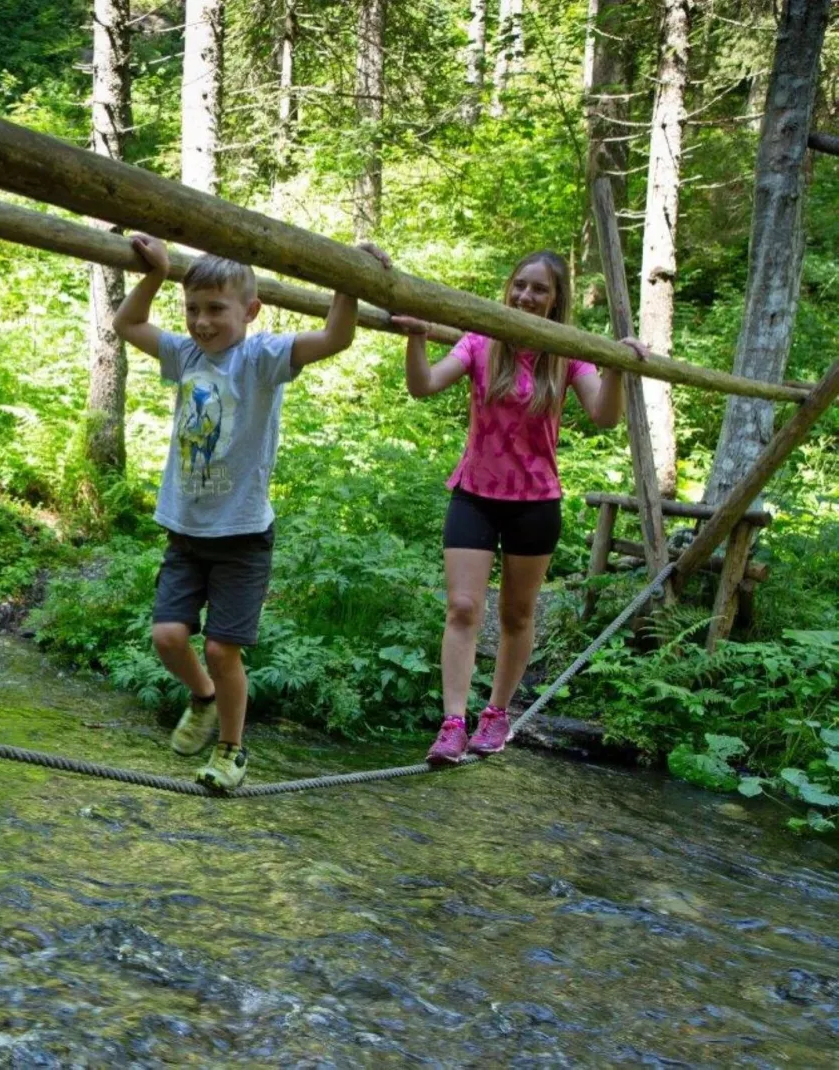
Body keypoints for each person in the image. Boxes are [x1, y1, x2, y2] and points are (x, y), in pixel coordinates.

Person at [113, 234, 390, 790]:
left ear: (251, 310)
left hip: (241, 535)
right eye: (192, 309)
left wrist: (348, 279)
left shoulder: (261, 359)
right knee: (168, 637)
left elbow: (337, 336)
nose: (201, 322)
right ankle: (203, 697)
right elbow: (127, 325)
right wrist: (155, 274)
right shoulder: (185, 355)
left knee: (221, 648)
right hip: (185, 530)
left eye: (216, 309)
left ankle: (232, 750)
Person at [391, 250, 647, 764]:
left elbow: (603, 415)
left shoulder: (568, 352)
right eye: (520, 285)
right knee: (463, 608)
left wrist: (619, 367)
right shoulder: (480, 340)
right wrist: (416, 337)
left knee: (516, 613)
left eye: (539, 289)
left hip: (535, 500)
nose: (526, 296)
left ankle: (497, 713)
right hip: (475, 495)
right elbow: (423, 386)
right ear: (508, 288)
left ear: (556, 302)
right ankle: (452, 723)